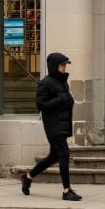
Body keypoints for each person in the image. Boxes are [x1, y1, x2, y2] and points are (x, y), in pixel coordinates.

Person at [20, 52, 82, 201]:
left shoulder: (62, 82)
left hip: (62, 123)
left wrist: (67, 100)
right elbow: (40, 105)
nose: (64, 68)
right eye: (62, 65)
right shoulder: (45, 83)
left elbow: (65, 100)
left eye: (65, 65)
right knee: (64, 154)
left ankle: (28, 176)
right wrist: (59, 100)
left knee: (54, 156)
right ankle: (66, 190)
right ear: (54, 66)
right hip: (53, 125)